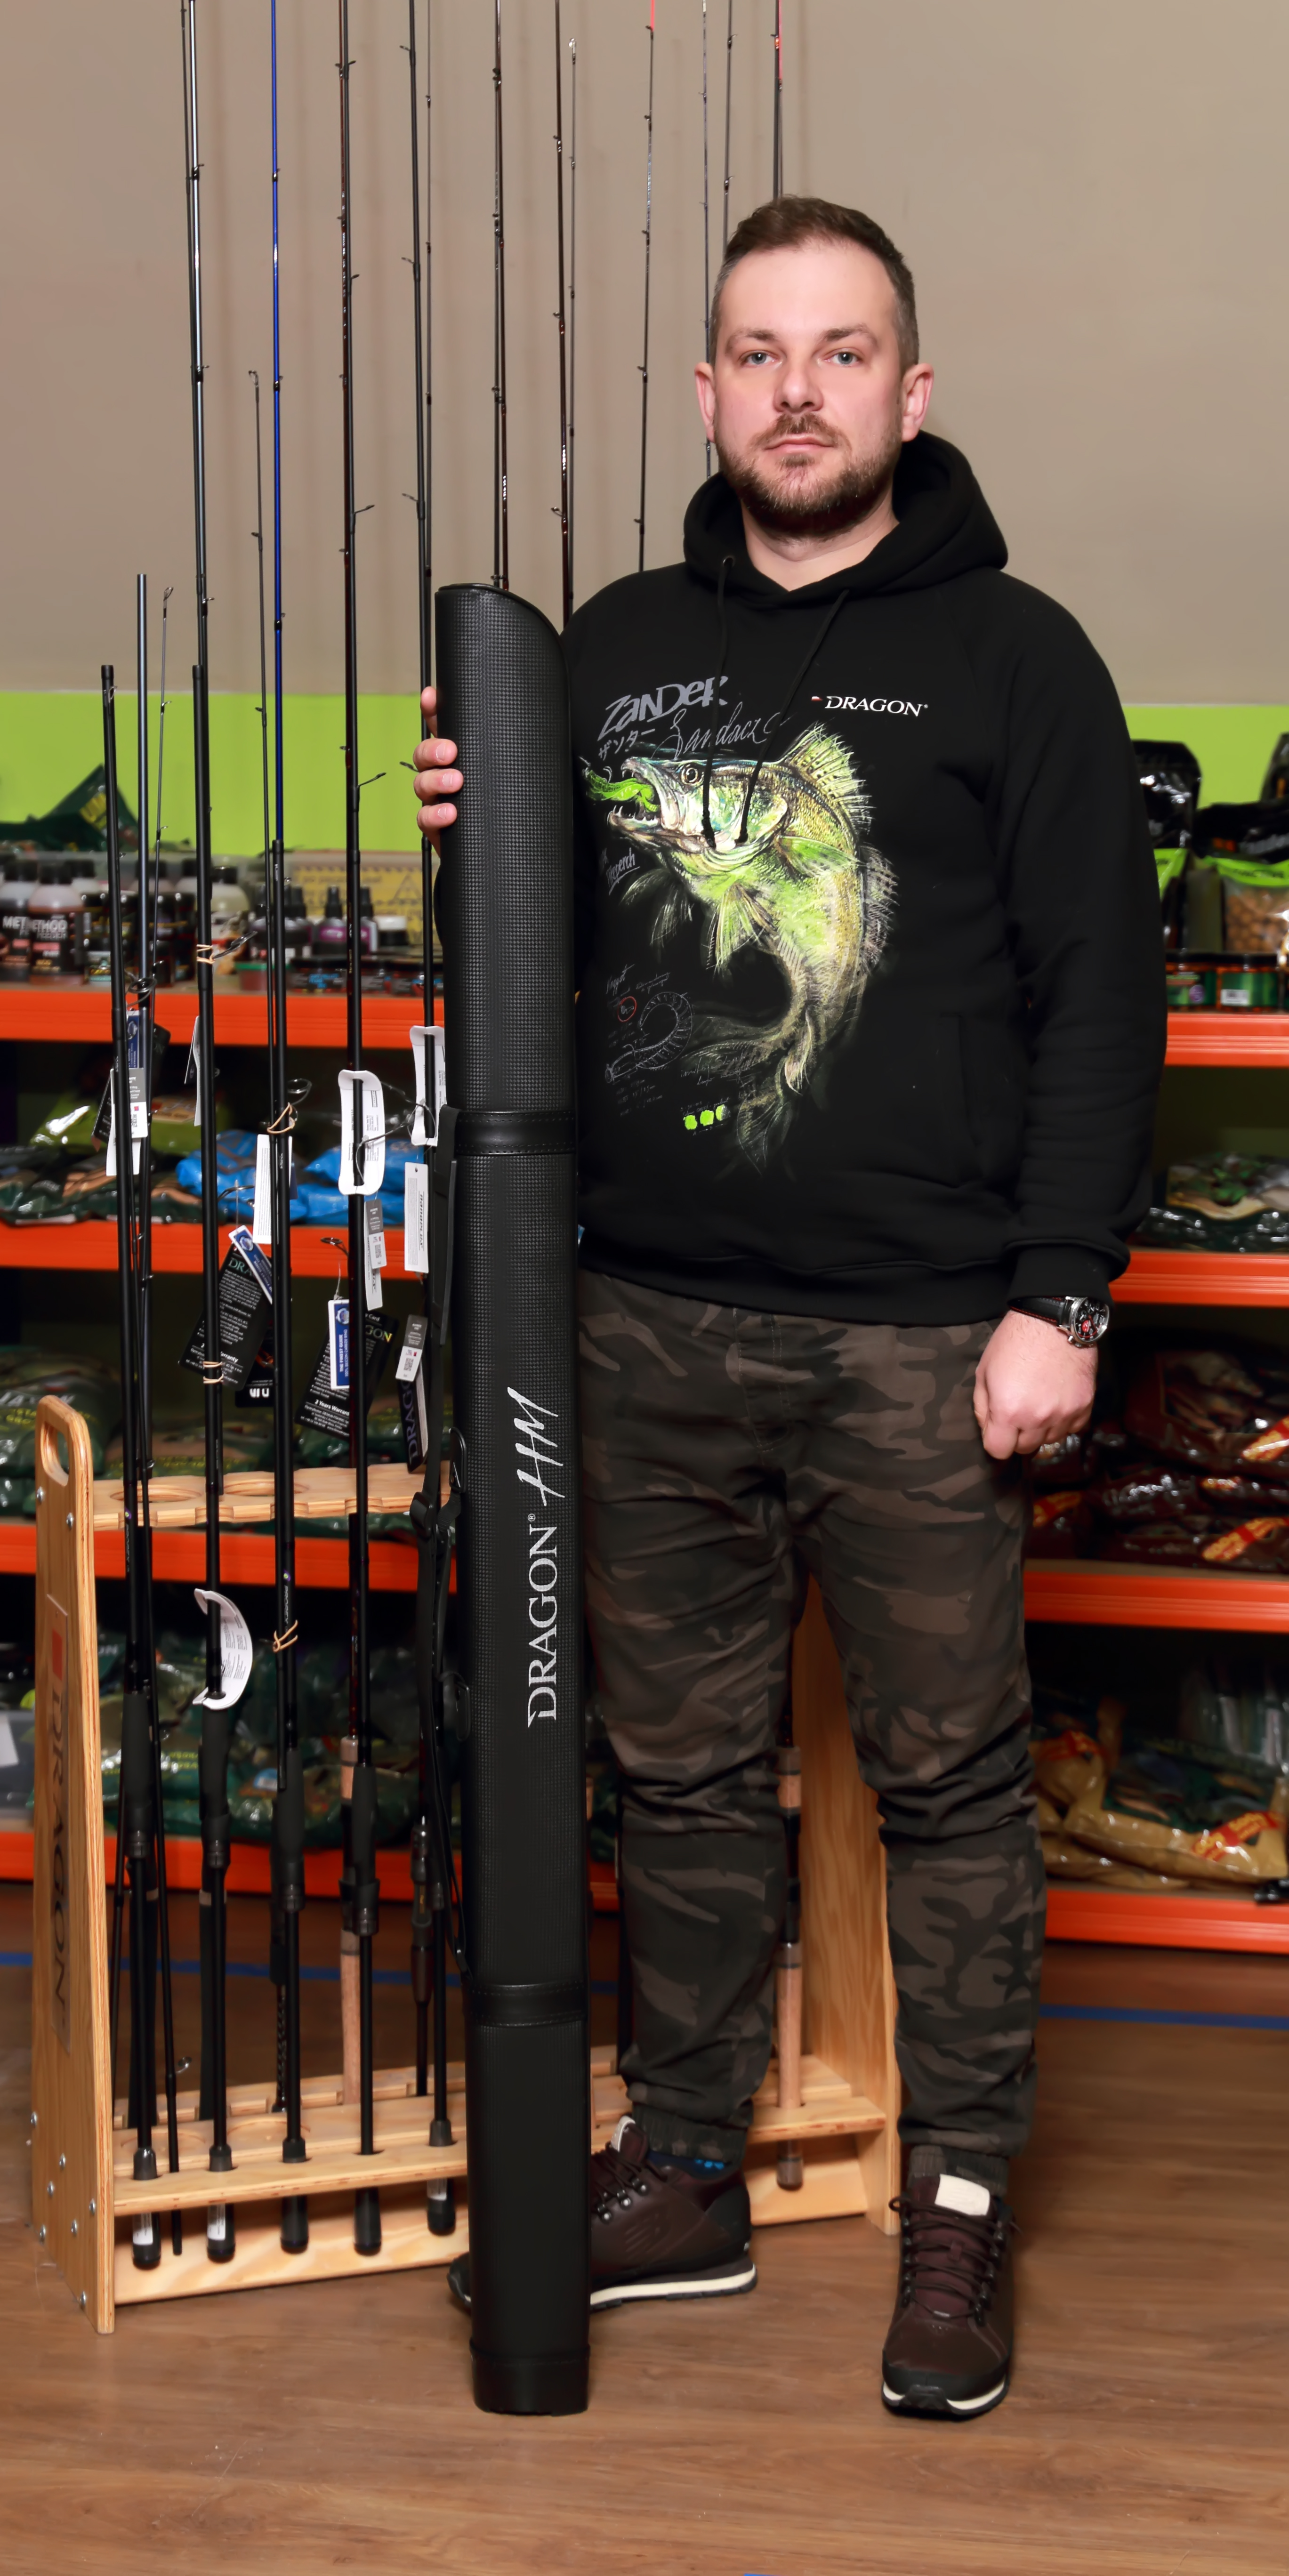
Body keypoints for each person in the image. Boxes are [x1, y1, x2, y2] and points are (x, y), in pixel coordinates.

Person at [414, 196, 1164, 2421]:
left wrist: (1061, 1300)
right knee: (678, 1773)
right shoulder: (618, 645)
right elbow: (540, 967)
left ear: (909, 393)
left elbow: (1101, 1006)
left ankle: (958, 2209)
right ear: (709, 389)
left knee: (949, 1788)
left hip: (925, 1335)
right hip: (642, 1323)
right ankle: (685, 2165)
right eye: (760, 352)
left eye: (843, 352)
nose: (800, 390)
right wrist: (474, 831)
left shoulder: (1020, 657)